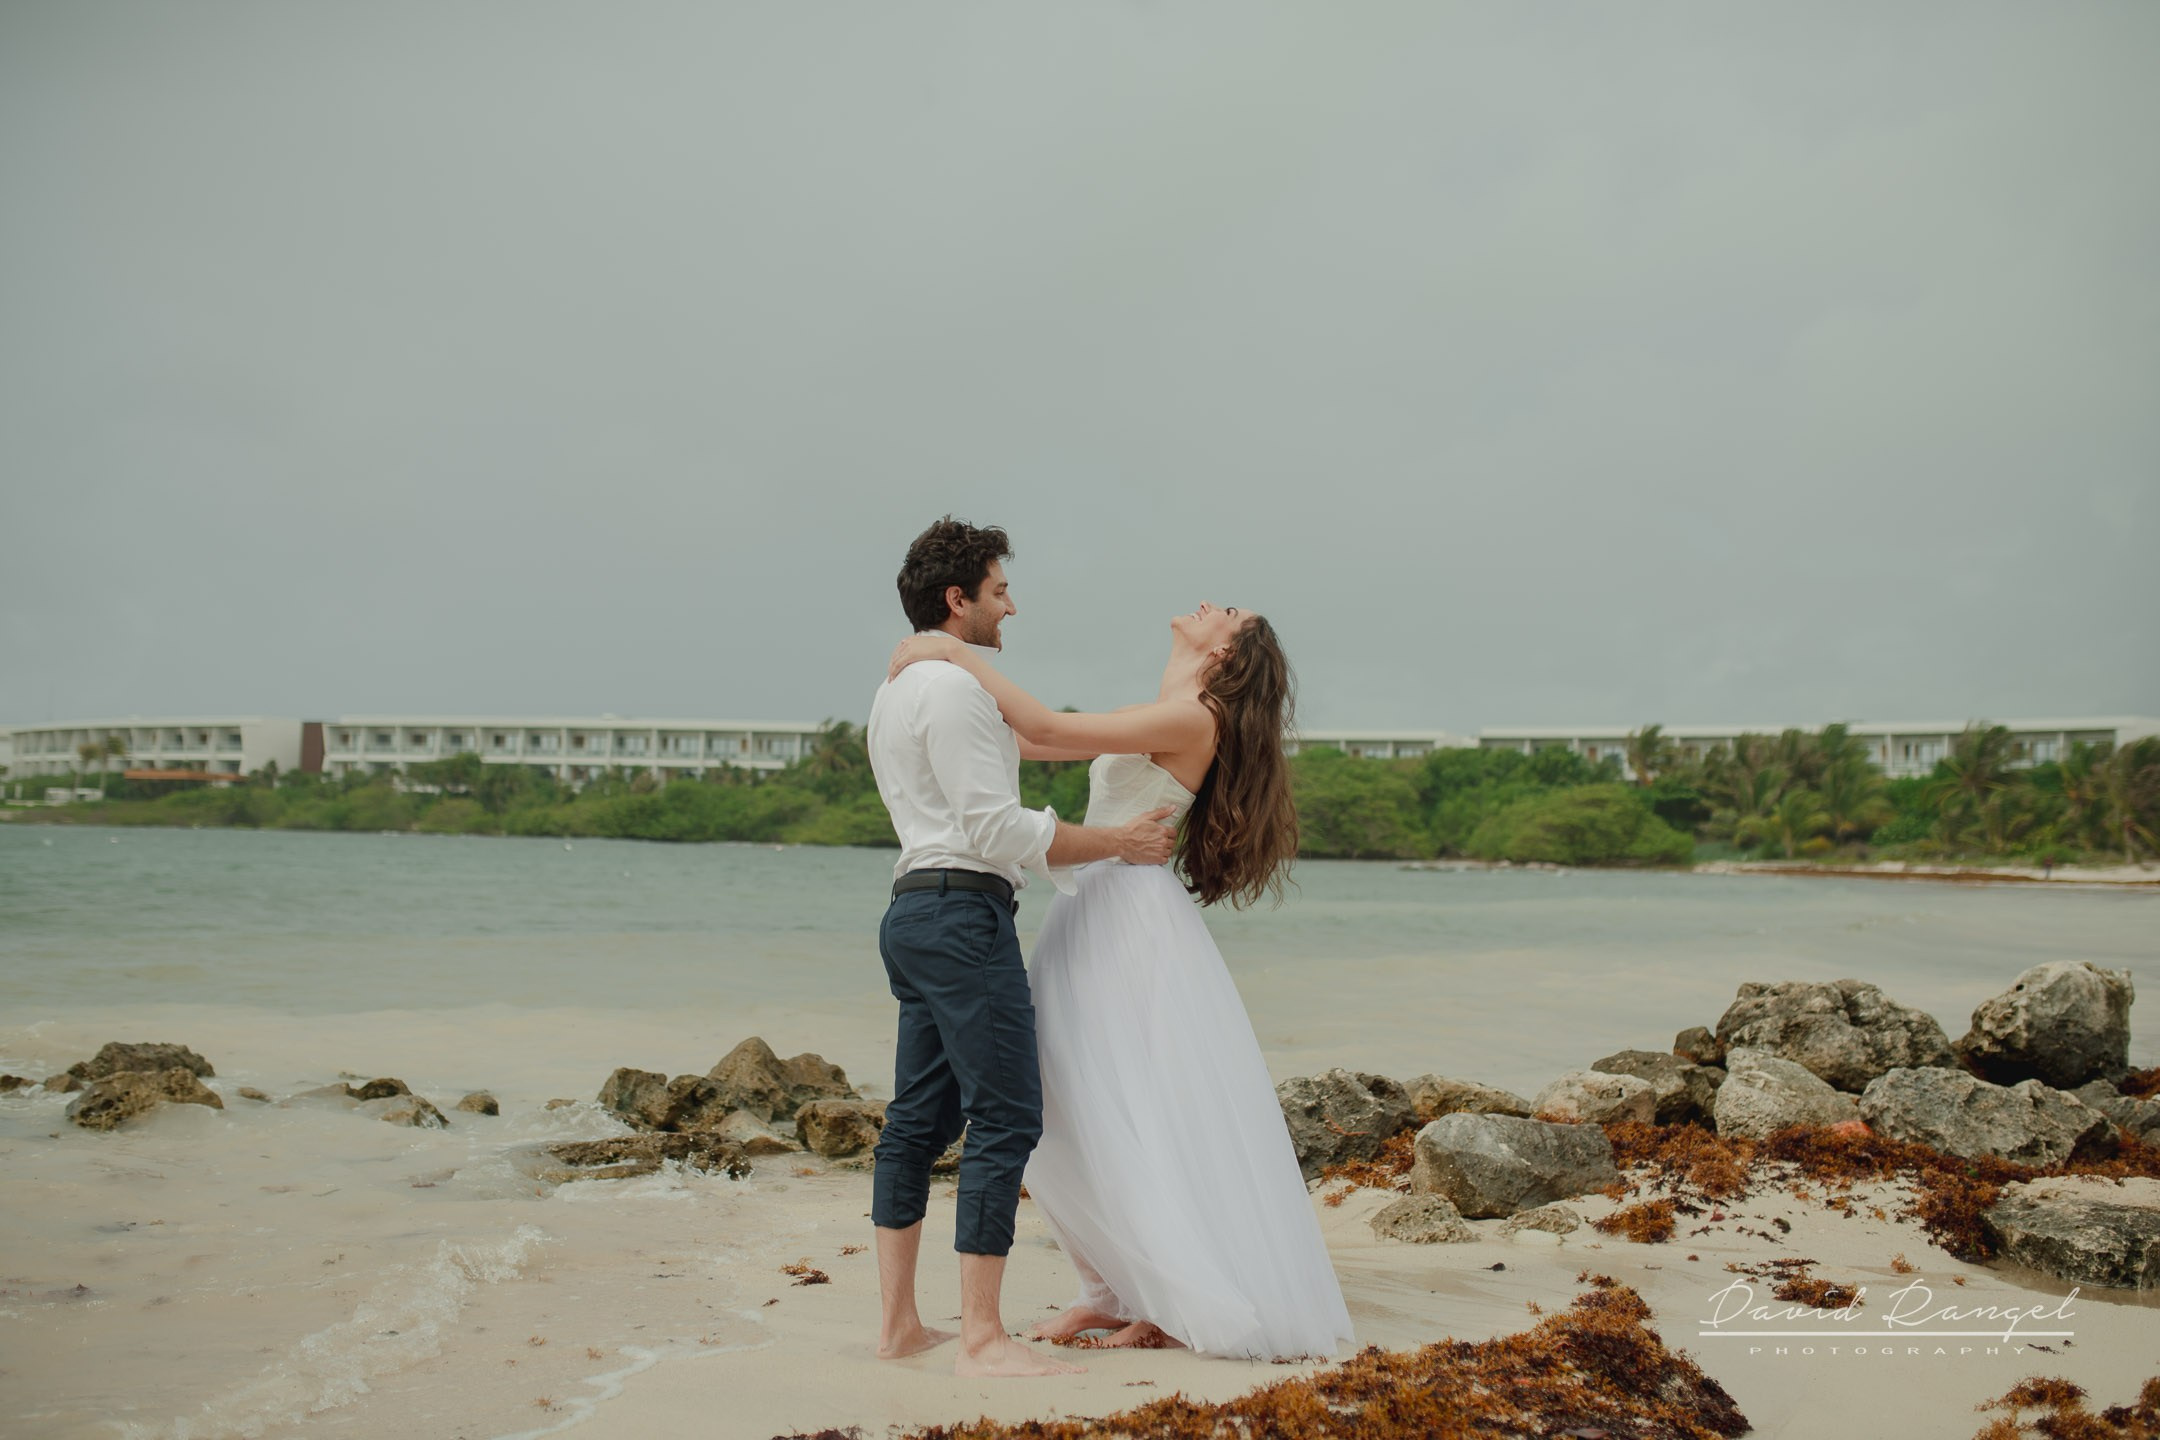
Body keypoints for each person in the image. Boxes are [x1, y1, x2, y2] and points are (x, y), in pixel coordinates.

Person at [888, 599, 1356, 1361]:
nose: (1211, 604)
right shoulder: (1169, 707)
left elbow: (1050, 731)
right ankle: (1107, 1290)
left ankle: (1165, 1303)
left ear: (1226, 656)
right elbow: (1029, 746)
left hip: (1130, 916)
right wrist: (934, 714)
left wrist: (952, 655)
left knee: (1135, 1101)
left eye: (1228, 612)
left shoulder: (1197, 717)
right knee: (1069, 1101)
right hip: (1090, 904)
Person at [865, 516, 1178, 1379]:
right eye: (1000, 589)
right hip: (963, 915)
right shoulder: (956, 688)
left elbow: (1033, 743)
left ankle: (898, 1329)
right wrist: (1119, 842)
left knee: (916, 1124)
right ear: (957, 599)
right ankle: (980, 1339)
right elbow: (995, 829)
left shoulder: (896, 688)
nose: (1013, 605)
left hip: (912, 913)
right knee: (1006, 1114)